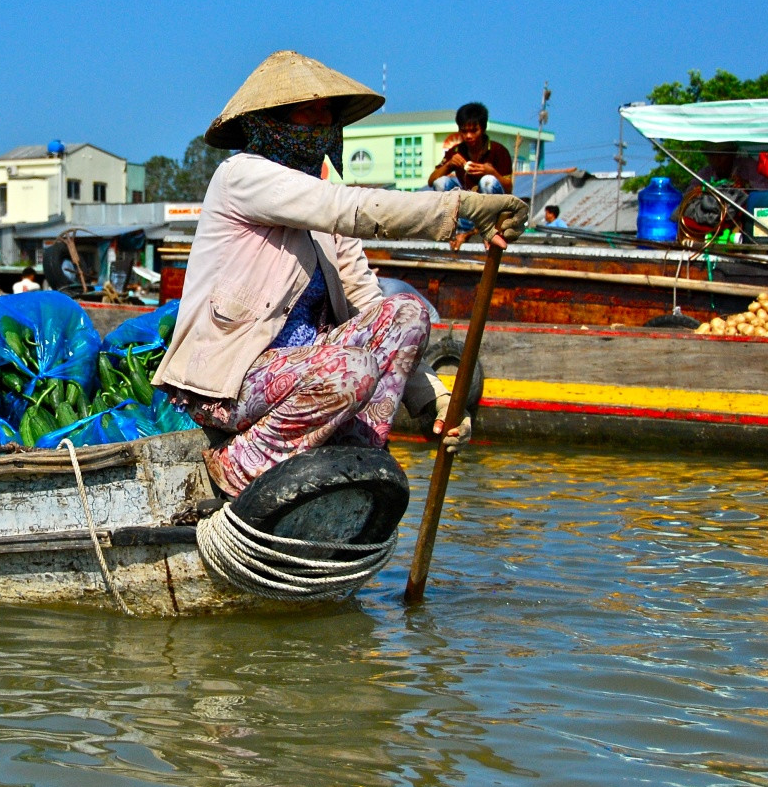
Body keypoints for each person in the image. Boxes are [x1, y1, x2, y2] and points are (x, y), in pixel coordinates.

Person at [154, 51, 527, 497]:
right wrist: (460, 207)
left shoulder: (325, 204)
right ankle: (239, 463)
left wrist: (437, 401)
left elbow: (371, 308)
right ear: (272, 120)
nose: (321, 121)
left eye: (326, 112)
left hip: (314, 375)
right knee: (351, 366)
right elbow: (348, 208)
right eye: (306, 111)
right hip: (227, 383)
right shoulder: (243, 176)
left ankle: (362, 449)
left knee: (406, 312)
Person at [425, 102, 513, 248]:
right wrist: (449, 164)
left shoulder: (498, 151)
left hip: (493, 211)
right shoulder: (456, 151)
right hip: (470, 211)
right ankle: (458, 228)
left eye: (474, 131)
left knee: (488, 181)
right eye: (464, 131)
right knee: (441, 182)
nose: (468, 136)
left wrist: (492, 172)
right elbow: (431, 181)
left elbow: (509, 189)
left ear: (483, 129)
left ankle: (491, 230)